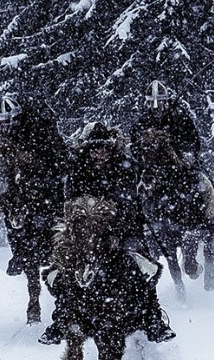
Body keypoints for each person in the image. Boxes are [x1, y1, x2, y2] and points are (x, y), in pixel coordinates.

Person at [40, 122, 174, 345]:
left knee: (139, 267)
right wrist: (78, 229)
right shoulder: (77, 173)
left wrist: (116, 232)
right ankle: (61, 319)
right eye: (95, 148)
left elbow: (129, 205)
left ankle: (153, 318)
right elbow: (70, 206)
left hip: (122, 231)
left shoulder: (123, 168)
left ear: (110, 148)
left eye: (103, 148)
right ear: (87, 150)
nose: (99, 153)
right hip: (83, 232)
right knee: (64, 269)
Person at [0, 96, 70, 277]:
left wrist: (42, 180)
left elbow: (60, 161)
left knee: (44, 217)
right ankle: (20, 254)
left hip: (50, 188)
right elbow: (11, 173)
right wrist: (12, 194)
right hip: (26, 189)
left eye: (8, 122)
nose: (6, 127)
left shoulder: (40, 132)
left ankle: (51, 251)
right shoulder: (8, 141)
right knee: (9, 207)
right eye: (2, 123)